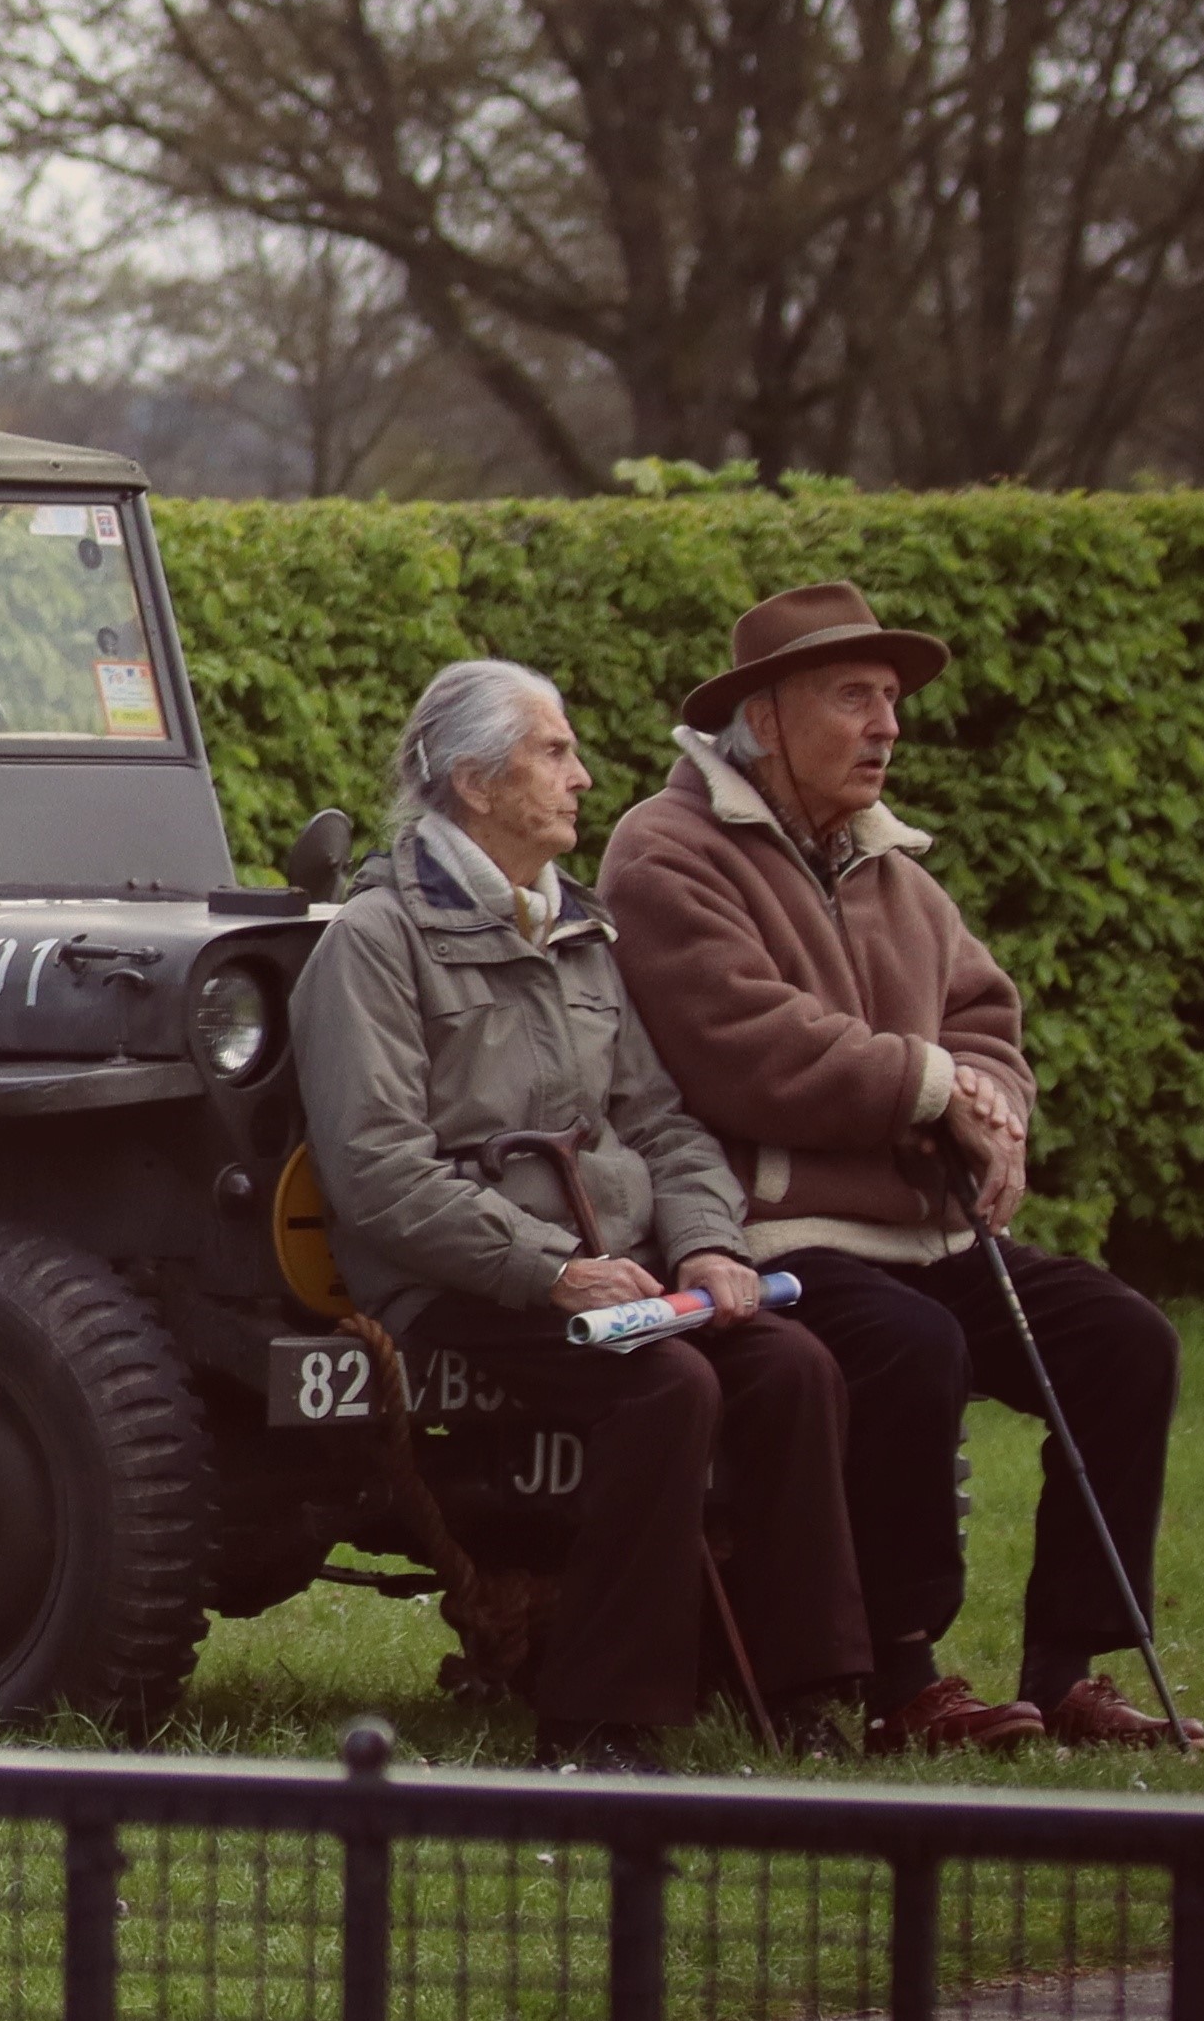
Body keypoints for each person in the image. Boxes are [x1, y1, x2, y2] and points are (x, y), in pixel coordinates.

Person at [606, 583, 1194, 1753]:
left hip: (931, 1235)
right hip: (774, 1241)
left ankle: (1068, 1668)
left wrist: (1000, 1110)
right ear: (765, 718)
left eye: (891, 700)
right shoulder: (663, 849)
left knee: (1128, 1343)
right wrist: (936, 1089)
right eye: (854, 697)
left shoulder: (892, 868)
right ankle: (903, 1677)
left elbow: (985, 1015)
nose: (888, 726)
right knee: (913, 1354)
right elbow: (744, 1047)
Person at [291, 658, 876, 1770]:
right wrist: (551, 1269)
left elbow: (662, 1120)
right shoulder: (373, 941)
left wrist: (708, 1240)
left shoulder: (579, 935)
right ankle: (600, 1718)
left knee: (792, 1366)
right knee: (664, 1386)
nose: (583, 776)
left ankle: (798, 1691)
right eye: (554, 752)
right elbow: (377, 1172)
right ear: (472, 780)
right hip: (463, 1280)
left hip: (617, 1270)